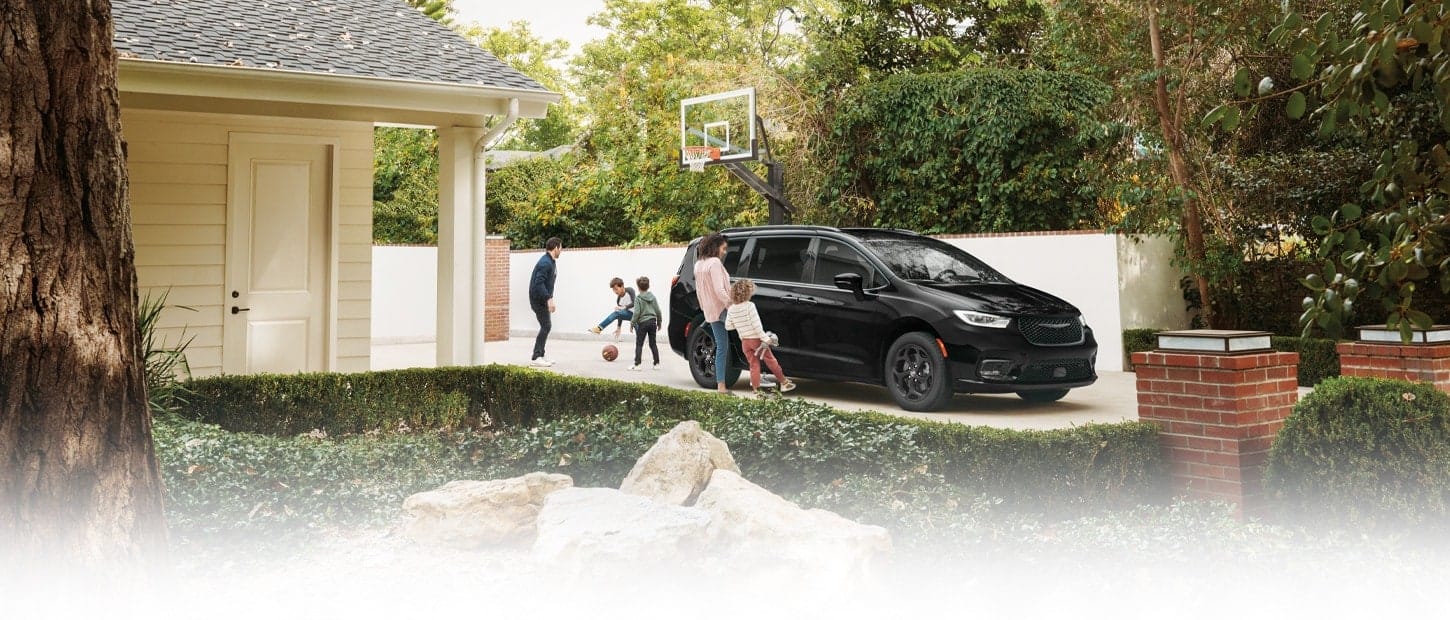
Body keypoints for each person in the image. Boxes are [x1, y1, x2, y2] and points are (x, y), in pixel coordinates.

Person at [724, 278, 796, 395]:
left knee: (754, 365)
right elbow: (757, 325)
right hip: (756, 340)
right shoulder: (750, 306)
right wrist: (765, 338)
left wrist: (740, 325)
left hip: (745, 342)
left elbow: (728, 326)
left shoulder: (732, 309)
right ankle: (784, 382)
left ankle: (757, 391)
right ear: (747, 293)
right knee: (771, 360)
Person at [692, 232, 734, 393]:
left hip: (710, 311)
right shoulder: (715, 263)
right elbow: (719, 290)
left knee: (722, 345)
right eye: (723, 248)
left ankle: (721, 385)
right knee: (728, 345)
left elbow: (699, 291)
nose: (725, 251)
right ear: (715, 247)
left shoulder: (699, 264)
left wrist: (705, 308)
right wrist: (732, 305)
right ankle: (721, 386)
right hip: (722, 308)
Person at [528, 237, 562, 367]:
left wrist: (549, 298)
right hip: (538, 299)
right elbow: (538, 283)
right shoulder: (545, 263)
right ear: (556, 248)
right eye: (561, 248)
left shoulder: (551, 262)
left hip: (543, 299)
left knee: (546, 326)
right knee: (546, 326)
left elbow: (548, 283)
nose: (561, 251)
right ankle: (536, 356)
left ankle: (541, 354)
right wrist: (548, 299)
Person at [627, 276, 662, 371]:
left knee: (639, 344)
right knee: (653, 343)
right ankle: (657, 363)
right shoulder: (653, 297)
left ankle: (637, 365)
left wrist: (632, 323)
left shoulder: (638, 298)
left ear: (638, 287)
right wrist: (659, 322)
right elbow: (658, 310)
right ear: (648, 286)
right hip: (652, 322)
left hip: (643, 323)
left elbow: (636, 312)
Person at [588, 277, 636, 341]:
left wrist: (623, 307)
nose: (615, 291)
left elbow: (634, 303)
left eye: (616, 289)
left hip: (637, 316)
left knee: (640, 338)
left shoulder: (630, 290)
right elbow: (620, 314)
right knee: (616, 313)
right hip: (629, 315)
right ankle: (599, 328)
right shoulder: (619, 300)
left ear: (622, 286)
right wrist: (619, 328)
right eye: (613, 290)